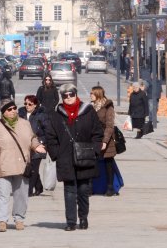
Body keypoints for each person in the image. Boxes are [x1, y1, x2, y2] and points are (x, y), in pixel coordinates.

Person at [45, 84, 103, 231]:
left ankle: (83, 218)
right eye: (65, 96)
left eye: (71, 94)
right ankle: (71, 221)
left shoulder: (88, 111)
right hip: (65, 158)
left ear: (76, 94)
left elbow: (97, 132)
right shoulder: (56, 114)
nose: (68, 98)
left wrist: (95, 149)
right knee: (69, 190)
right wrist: (56, 153)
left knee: (84, 189)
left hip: (85, 156)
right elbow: (50, 137)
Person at [0, 99, 46, 232]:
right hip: (2, 164)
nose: (13, 111)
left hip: (21, 164)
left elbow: (32, 139)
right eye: (9, 109)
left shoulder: (25, 124)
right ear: (3, 112)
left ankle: (19, 218)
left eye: (14, 108)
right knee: (3, 194)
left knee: (21, 194)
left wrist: (37, 146)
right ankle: (2, 220)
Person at [18, 95, 48, 197]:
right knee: (30, 167)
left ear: (35, 105)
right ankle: (39, 187)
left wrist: (42, 141)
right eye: (25, 103)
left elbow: (47, 130)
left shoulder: (41, 115)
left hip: (39, 144)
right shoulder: (21, 114)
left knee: (34, 168)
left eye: (30, 104)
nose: (27, 106)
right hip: (25, 145)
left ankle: (29, 190)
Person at [90, 86, 117, 197]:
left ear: (97, 94)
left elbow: (110, 126)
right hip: (94, 139)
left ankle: (110, 187)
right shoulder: (91, 107)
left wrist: (105, 141)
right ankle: (90, 187)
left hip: (107, 140)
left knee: (108, 164)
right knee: (92, 163)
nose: (90, 95)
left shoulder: (107, 107)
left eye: (92, 93)